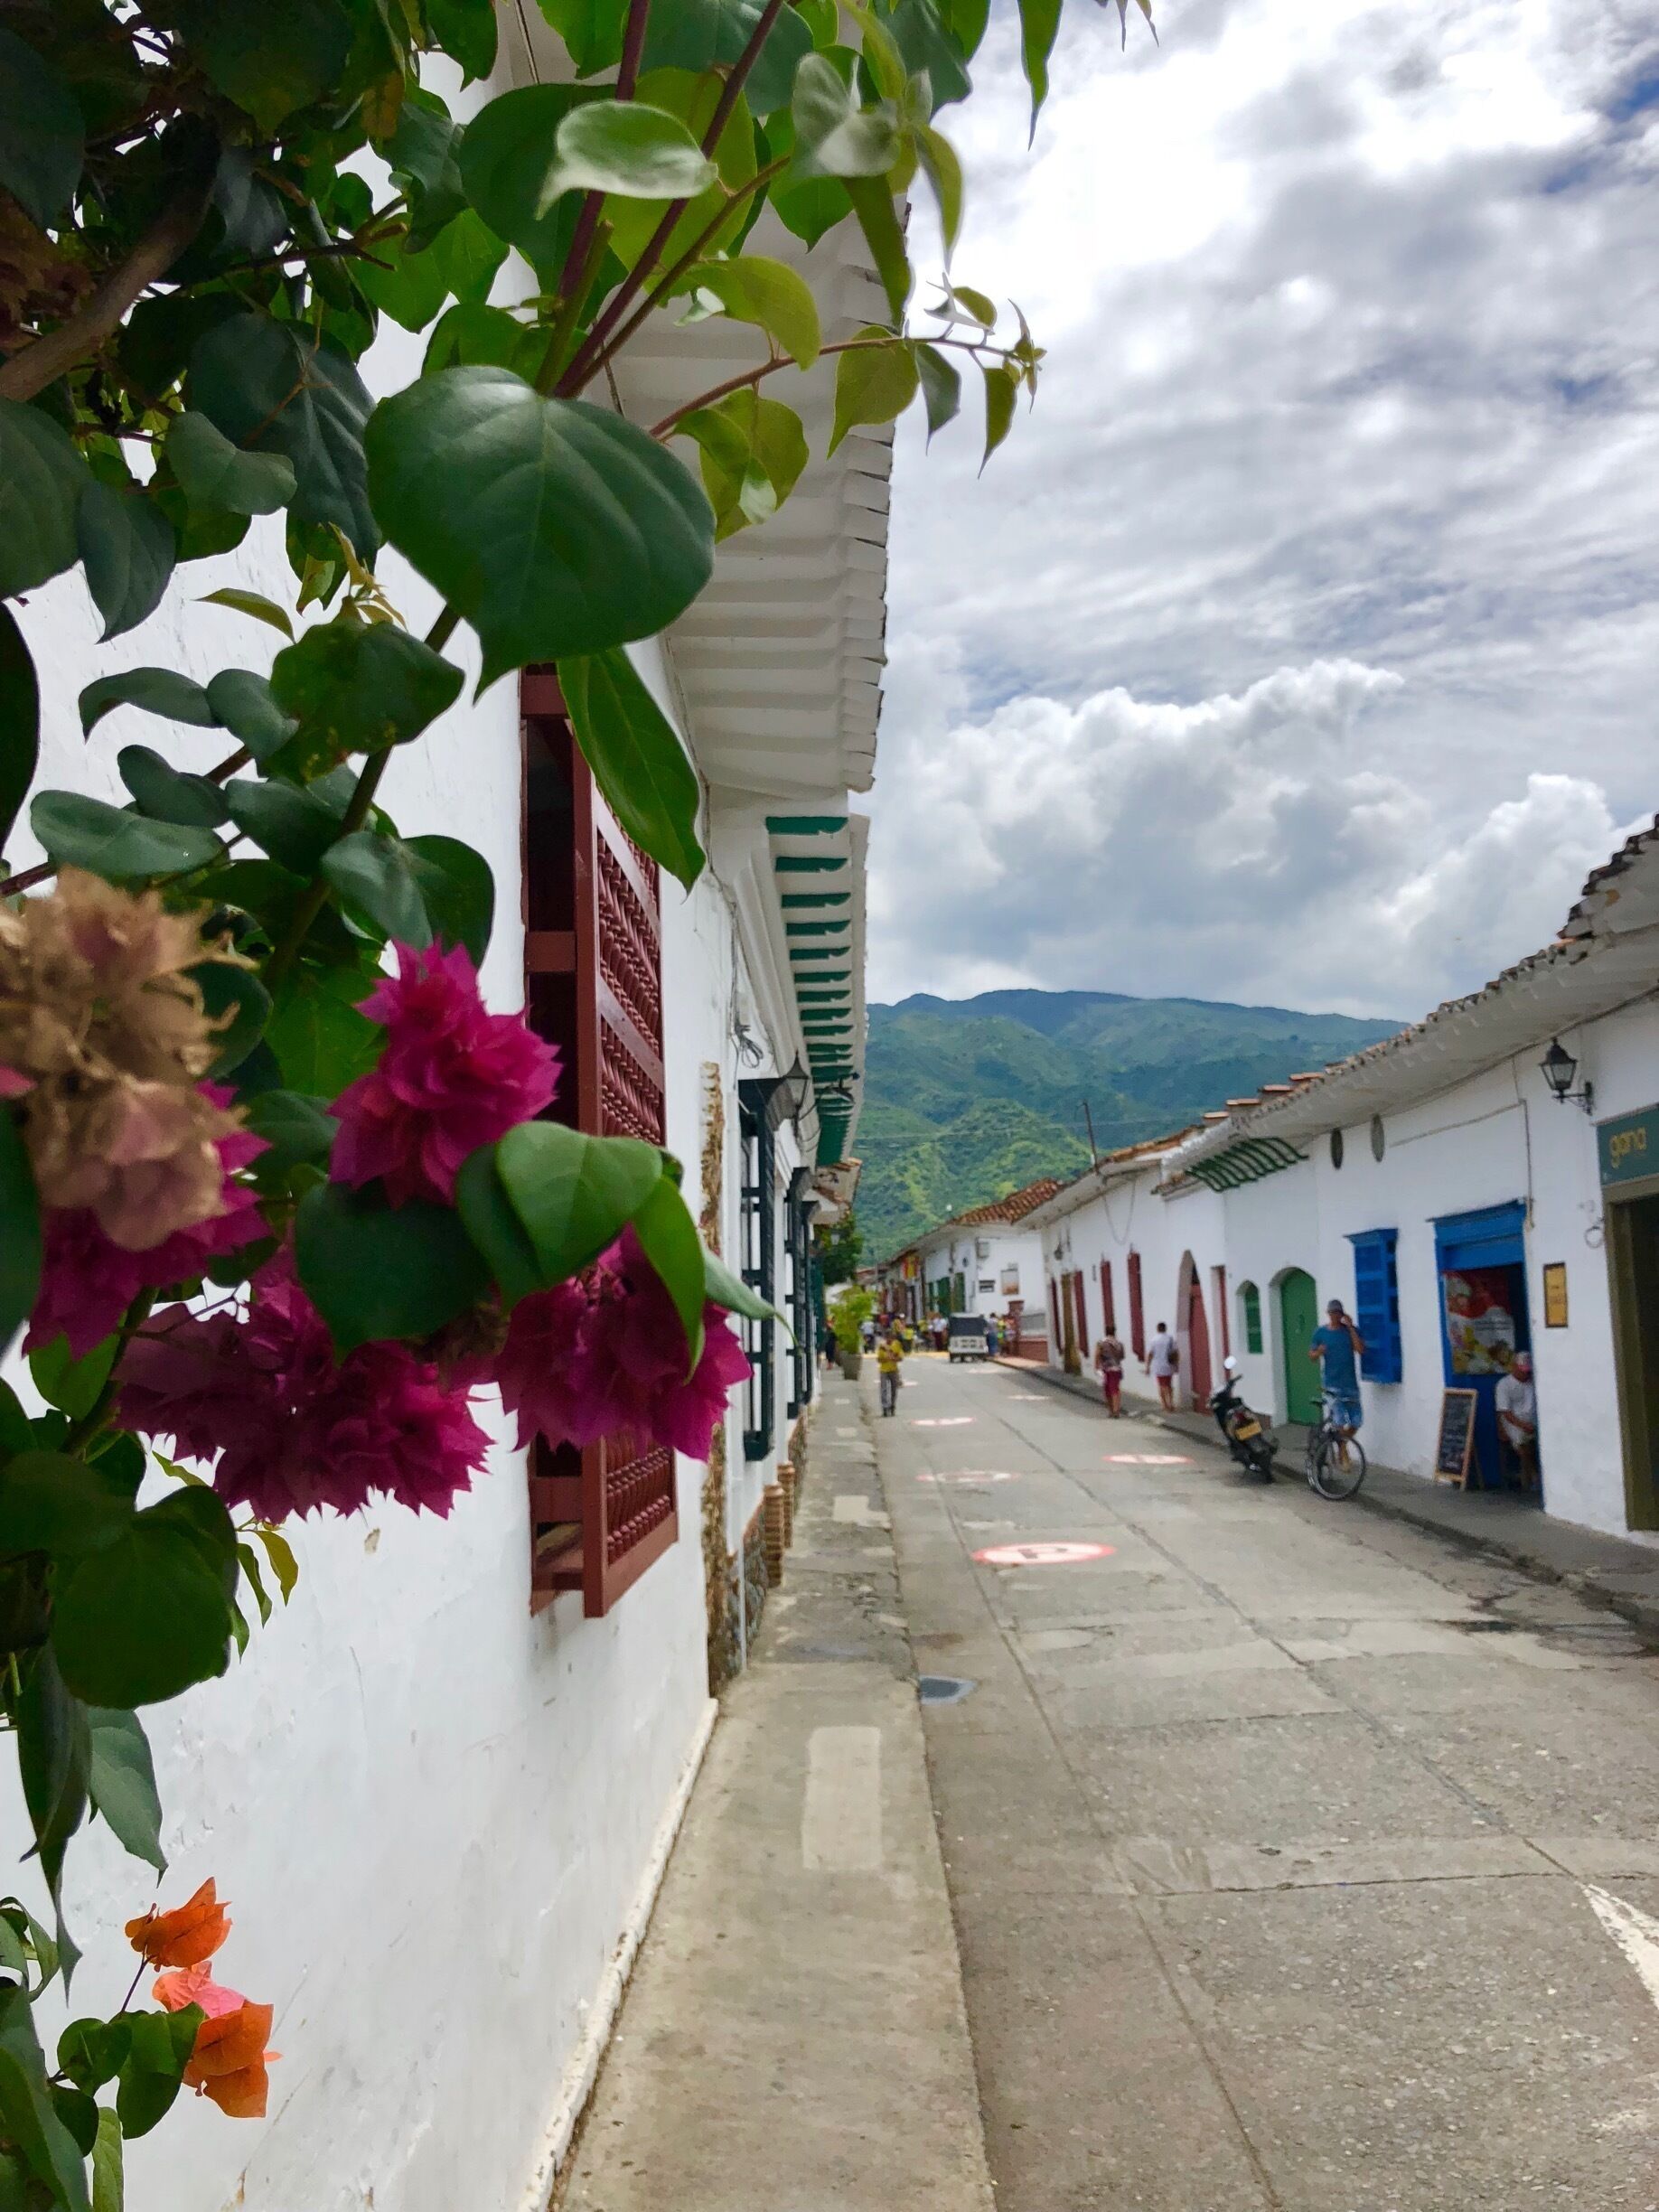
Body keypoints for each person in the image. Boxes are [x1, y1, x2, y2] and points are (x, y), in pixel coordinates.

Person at [1309, 1298, 1365, 1460]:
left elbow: (1360, 1349)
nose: (1336, 1316)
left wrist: (1351, 1328)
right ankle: (1343, 1453)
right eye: (1333, 1313)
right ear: (1328, 1314)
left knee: (1356, 1421)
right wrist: (1319, 1352)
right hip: (1331, 1384)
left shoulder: (1350, 1331)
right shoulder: (1320, 1333)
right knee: (1339, 1420)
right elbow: (1311, 1356)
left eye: (1338, 1313)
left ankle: (1342, 1445)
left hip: (1350, 1384)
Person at [1495, 1351, 1539, 1488]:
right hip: (1514, 1422)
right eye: (1522, 1370)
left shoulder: (1533, 1383)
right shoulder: (1504, 1384)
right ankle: (1532, 1476)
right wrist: (1522, 1425)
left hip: (1532, 1420)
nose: (1525, 1374)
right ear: (1514, 1367)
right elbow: (1505, 1412)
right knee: (1522, 1442)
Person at [1145, 1321, 1178, 1411]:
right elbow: (1175, 1352)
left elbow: (1150, 1354)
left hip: (1158, 1365)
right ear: (1165, 1329)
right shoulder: (1170, 1339)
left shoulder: (1154, 1340)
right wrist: (1176, 1364)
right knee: (1169, 1385)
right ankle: (1171, 1403)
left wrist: (1147, 1366)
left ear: (1157, 1329)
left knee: (1161, 1385)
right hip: (1169, 1365)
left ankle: (1164, 1404)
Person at [1094, 1328, 1126, 1416]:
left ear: (1106, 1332)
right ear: (1114, 1332)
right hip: (1117, 1369)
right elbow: (1122, 1356)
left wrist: (1096, 1366)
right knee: (1115, 1389)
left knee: (1107, 1390)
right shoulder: (1119, 1343)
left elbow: (1097, 1355)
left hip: (1106, 1369)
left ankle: (1111, 1410)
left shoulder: (1101, 1343)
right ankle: (1116, 1410)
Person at [876, 1327, 904, 1417]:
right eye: (888, 1337)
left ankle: (892, 1406)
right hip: (884, 1370)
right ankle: (885, 1407)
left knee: (894, 1389)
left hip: (894, 1370)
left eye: (891, 1337)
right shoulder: (882, 1346)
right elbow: (879, 1359)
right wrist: (886, 1359)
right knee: (884, 1389)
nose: (890, 1339)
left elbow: (901, 1357)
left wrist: (894, 1358)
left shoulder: (897, 1344)